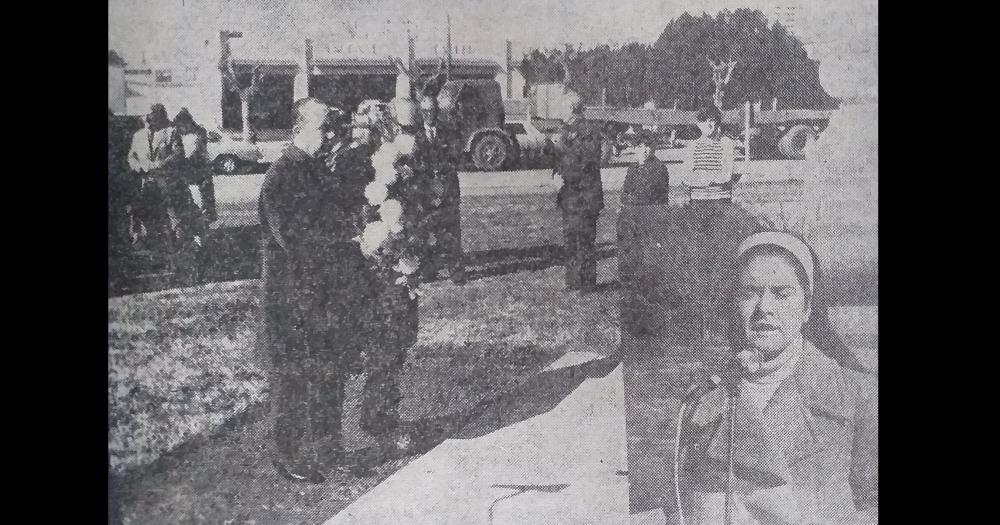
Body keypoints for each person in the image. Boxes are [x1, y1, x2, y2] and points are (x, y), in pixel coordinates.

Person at [668, 231, 877, 525]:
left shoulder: (860, 396)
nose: (763, 307)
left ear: (807, 308)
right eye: (748, 293)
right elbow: (679, 505)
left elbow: (873, 504)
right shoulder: (702, 400)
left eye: (781, 293)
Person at [259, 98, 376, 483]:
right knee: (292, 378)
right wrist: (346, 239)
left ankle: (327, 447)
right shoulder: (283, 176)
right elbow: (293, 237)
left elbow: (344, 207)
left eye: (331, 129)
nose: (329, 136)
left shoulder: (316, 169)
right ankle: (288, 455)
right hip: (291, 299)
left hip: (322, 296)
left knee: (328, 371)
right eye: (322, 129)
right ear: (298, 131)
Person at [677, 105, 760, 342]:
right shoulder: (692, 146)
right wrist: (707, 178)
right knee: (699, 257)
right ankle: (701, 313)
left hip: (721, 206)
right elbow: (685, 177)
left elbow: (726, 176)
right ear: (698, 125)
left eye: (713, 122)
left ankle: (724, 315)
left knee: (722, 257)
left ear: (717, 122)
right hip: (698, 207)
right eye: (704, 123)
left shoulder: (726, 144)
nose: (709, 127)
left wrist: (702, 178)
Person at [128, 104, 200, 266]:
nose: (150, 120)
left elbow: (178, 154)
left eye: (154, 116)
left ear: (160, 116)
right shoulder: (138, 136)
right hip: (146, 184)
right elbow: (131, 156)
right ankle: (157, 255)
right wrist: (137, 166)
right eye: (148, 116)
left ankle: (180, 256)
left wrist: (160, 165)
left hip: (168, 184)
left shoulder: (171, 132)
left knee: (174, 221)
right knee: (149, 220)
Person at [617, 131, 671, 337]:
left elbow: (655, 196)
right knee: (633, 262)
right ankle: (635, 307)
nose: (644, 150)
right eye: (640, 146)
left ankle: (652, 312)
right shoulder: (632, 169)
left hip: (650, 219)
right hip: (632, 221)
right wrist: (624, 207)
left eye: (648, 146)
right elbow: (625, 192)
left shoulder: (659, 168)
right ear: (635, 148)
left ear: (654, 148)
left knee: (650, 267)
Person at [553, 96, 605, 293]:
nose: (562, 114)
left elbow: (586, 163)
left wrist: (563, 175)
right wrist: (555, 177)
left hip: (586, 197)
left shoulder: (590, 132)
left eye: (564, 109)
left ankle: (587, 283)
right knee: (570, 240)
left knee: (584, 240)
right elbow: (559, 161)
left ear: (574, 110)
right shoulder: (565, 133)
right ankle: (573, 281)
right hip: (569, 196)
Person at [418, 91, 465, 284]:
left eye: (433, 110)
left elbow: (455, 159)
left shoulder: (448, 131)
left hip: (447, 190)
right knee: (426, 232)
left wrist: (442, 186)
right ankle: (429, 271)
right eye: (426, 111)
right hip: (425, 191)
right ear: (421, 112)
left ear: (438, 111)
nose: (430, 115)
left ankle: (457, 274)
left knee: (452, 233)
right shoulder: (415, 135)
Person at [173, 108, 217, 240]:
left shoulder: (196, 136)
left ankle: (202, 233)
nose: (179, 130)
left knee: (202, 203)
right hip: (197, 174)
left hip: (198, 174)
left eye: (180, 126)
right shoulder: (194, 133)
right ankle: (202, 231)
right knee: (201, 204)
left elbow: (192, 155)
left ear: (186, 124)